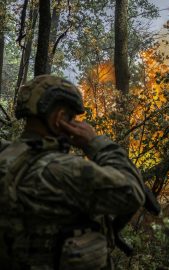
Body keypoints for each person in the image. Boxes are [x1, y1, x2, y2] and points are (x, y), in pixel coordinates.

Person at [0, 75, 145, 270]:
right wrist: (95, 142)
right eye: (71, 118)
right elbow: (132, 191)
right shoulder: (61, 169)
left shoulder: (6, 155)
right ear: (59, 118)